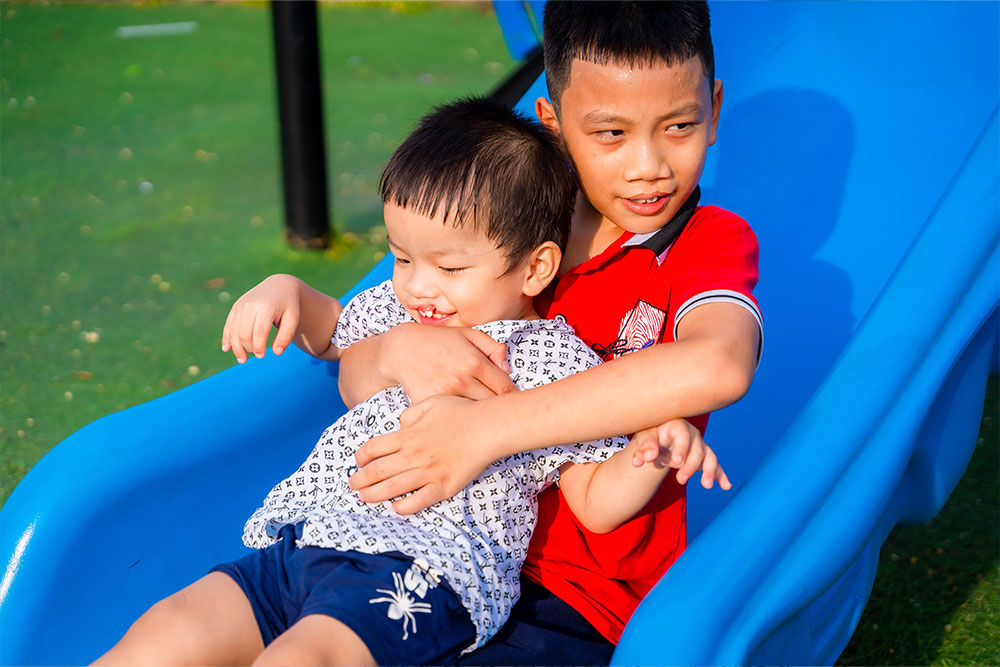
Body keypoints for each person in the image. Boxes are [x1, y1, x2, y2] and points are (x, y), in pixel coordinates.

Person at [92, 97, 729, 667]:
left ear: (536, 268)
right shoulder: (406, 315)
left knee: (306, 658)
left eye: (450, 266)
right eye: (401, 258)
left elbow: (592, 497)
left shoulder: (550, 360)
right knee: (167, 631)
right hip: (310, 538)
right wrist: (283, 290)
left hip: (422, 566)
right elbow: (330, 328)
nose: (419, 286)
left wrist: (652, 453)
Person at [338, 2, 764, 664]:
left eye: (678, 125)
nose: (647, 165)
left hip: (577, 593)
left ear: (712, 106)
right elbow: (355, 372)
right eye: (611, 134)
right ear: (554, 123)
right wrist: (398, 350)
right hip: (437, 546)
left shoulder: (703, 244)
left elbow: (719, 364)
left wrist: (489, 427)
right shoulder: (502, 217)